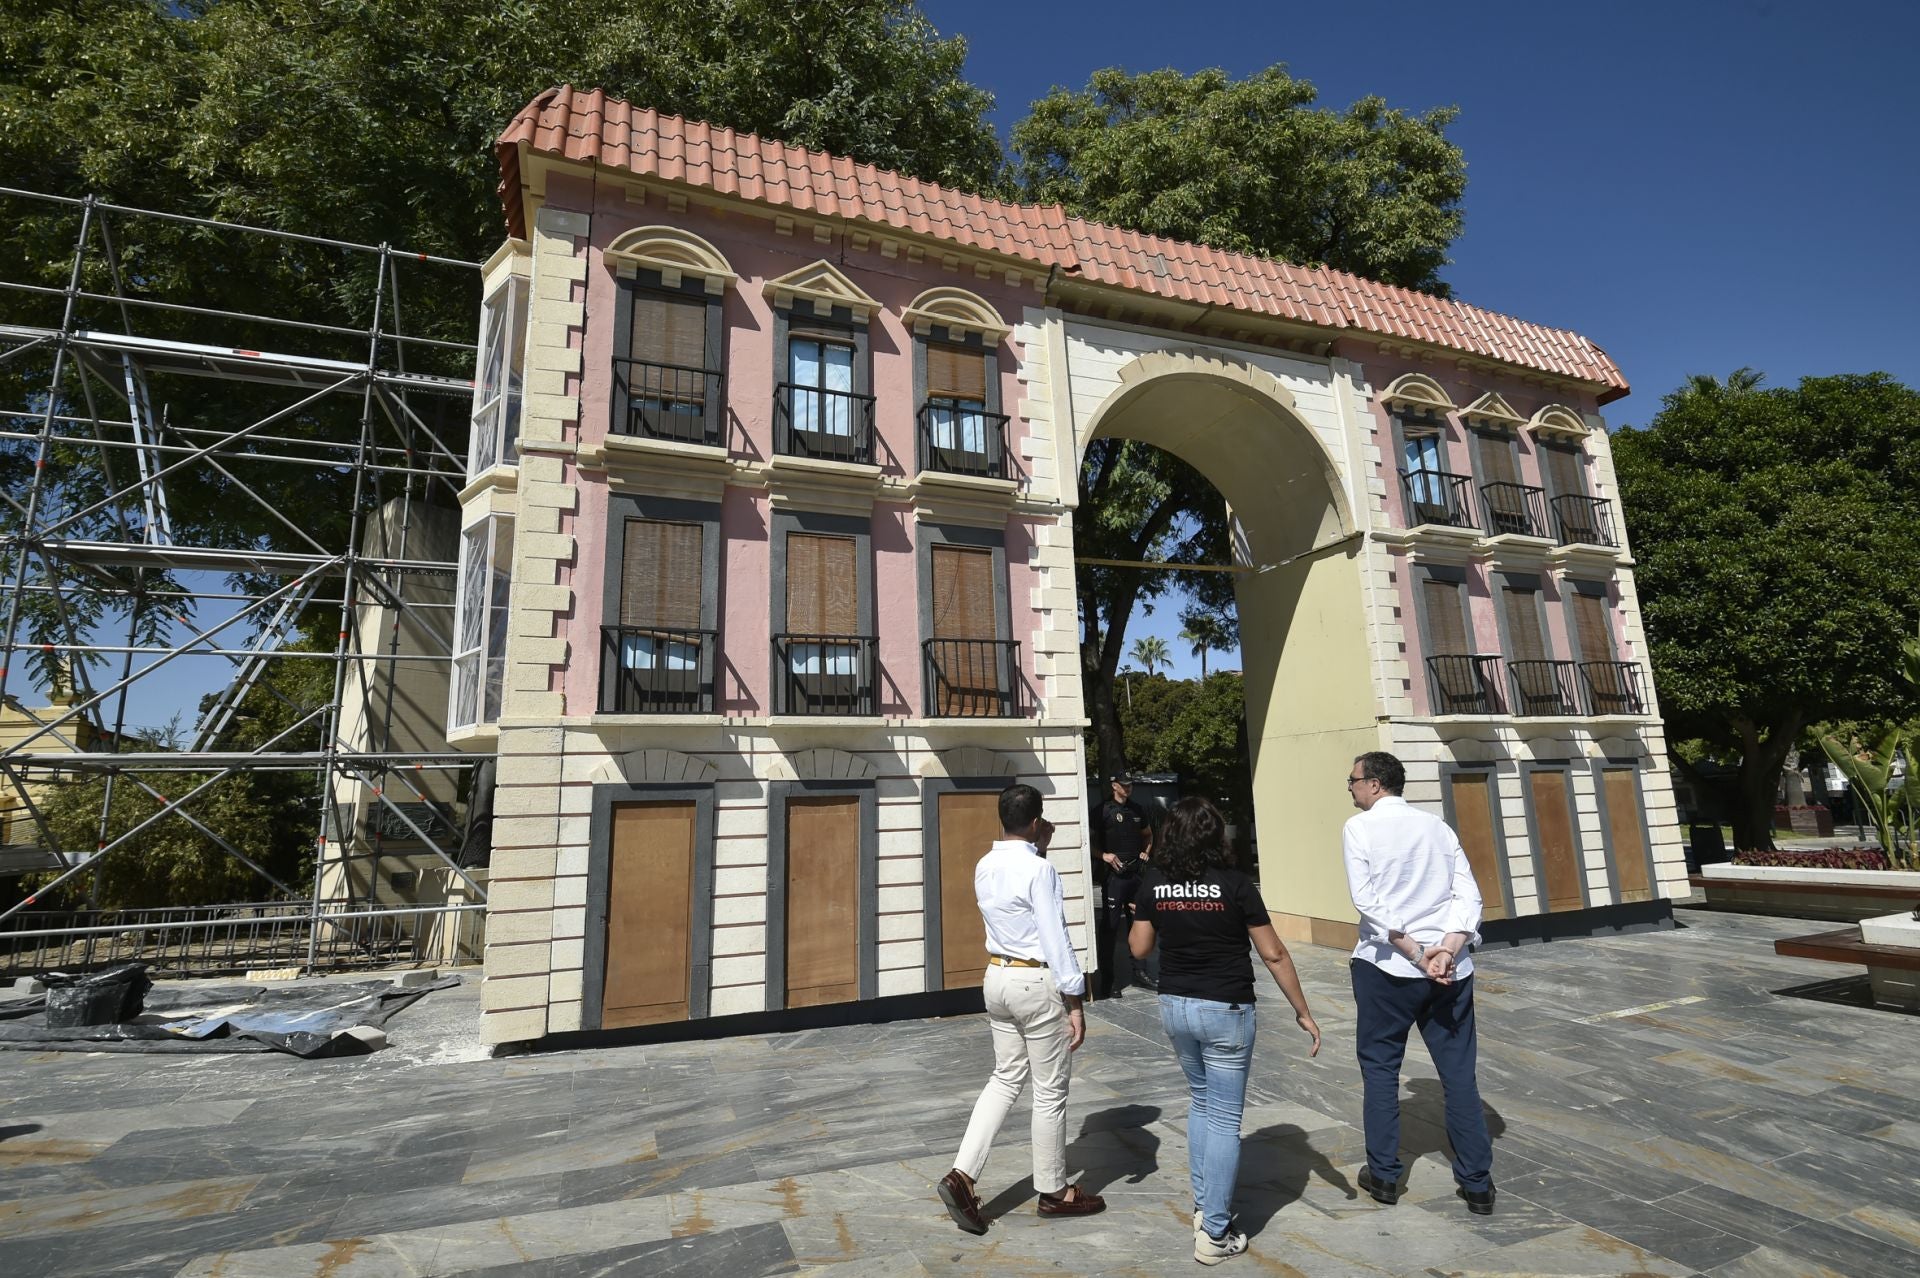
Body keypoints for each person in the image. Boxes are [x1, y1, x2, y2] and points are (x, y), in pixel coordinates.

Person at [1129, 797, 1322, 1266]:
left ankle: (1204, 1207)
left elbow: (1138, 949)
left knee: (1201, 1100)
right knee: (1224, 1118)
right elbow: (1274, 953)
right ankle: (1215, 1232)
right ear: (1217, 836)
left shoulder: (1155, 882)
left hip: (1176, 1006)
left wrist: (1149, 910)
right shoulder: (1236, 885)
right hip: (1227, 1010)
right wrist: (1303, 1011)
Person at [937, 783, 1106, 1234]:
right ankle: (1054, 1192)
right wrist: (1075, 999)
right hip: (1036, 980)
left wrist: (1038, 851)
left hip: (997, 976)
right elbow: (1054, 933)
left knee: (1005, 1077)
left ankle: (963, 1174)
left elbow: (1015, 907)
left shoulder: (984, 865)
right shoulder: (1039, 869)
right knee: (1049, 1090)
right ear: (1036, 822)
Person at [1342, 751, 1495, 1216]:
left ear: (1373, 784)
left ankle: (1385, 1177)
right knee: (1459, 1076)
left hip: (1388, 967)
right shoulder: (1437, 827)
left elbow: (1366, 898)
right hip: (1451, 970)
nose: (1349, 788)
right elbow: (1468, 893)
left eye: (1351, 780)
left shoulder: (1359, 828)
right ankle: (1477, 1185)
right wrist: (1447, 948)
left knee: (1381, 1069)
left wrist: (1416, 950)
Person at [1090, 774, 1154, 998]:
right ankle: (1110, 980)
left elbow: (1148, 835)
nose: (1128, 789)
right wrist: (1104, 855)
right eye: (1124, 785)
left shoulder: (1137, 809)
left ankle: (1140, 972)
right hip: (1113, 877)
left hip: (1135, 875)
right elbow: (1089, 842)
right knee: (1110, 927)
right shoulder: (1102, 810)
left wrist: (1146, 852)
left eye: (1131, 785)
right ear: (1114, 785)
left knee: (1140, 923)